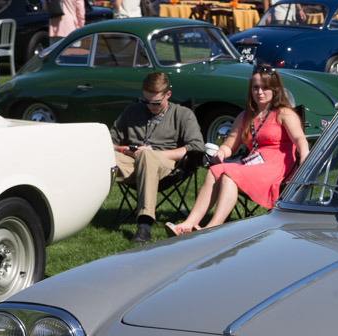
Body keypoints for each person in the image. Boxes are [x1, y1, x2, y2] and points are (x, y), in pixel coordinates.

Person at [166, 63, 309, 235]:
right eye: (255, 88)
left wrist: (305, 155)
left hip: (277, 167)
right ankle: (187, 224)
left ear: (275, 89)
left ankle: (212, 228)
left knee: (229, 175)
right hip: (253, 164)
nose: (260, 92)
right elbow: (230, 144)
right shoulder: (245, 116)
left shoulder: (284, 113)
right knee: (215, 170)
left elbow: (300, 138)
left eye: (265, 88)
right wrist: (222, 152)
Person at [110, 72, 204, 243]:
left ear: (168, 94)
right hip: (132, 161)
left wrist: (154, 154)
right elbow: (109, 142)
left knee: (147, 155)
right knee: (101, 157)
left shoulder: (182, 114)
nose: (150, 106)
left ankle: (144, 224)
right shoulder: (132, 111)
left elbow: (196, 147)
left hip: (167, 165)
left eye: (155, 102)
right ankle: (80, 211)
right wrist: (125, 149)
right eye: (145, 101)